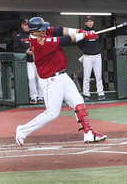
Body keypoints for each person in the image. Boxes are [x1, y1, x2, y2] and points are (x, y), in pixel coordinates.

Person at [15, 17, 106, 146]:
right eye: (42, 29)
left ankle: (89, 133)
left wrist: (80, 30)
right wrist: (84, 35)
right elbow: (64, 40)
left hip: (62, 75)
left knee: (78, 102)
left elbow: (61, 30)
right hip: (50, 80)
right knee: (52, 113)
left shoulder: (44, 31)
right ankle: (22, 130)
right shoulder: (39, 41)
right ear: (35, 31)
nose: (46, 29)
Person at [14, 20, 42, 105]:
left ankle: (41, 96)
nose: (27, 26)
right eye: (25, 25)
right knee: (31, 78)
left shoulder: (35, 34)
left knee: (40, 78)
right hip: (28, 61)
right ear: (22, 26)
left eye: (28, 25)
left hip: (38, 60)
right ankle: (34, 97)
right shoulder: (18, 37)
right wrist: (25, 52)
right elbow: (16, 49)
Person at [78, 16, 104, 101]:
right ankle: (86, 95)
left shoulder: (97, 30)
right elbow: (79, 44)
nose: (89, 23)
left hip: (97, 55)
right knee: (86, 76)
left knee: (98, 76)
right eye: (88, 21)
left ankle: (101, 94)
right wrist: (87, 49)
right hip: (87, 56)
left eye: (91, 21)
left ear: (93, 22)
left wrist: (97, 49)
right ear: (85, 23)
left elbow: (100, 42)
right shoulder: (82, 31)